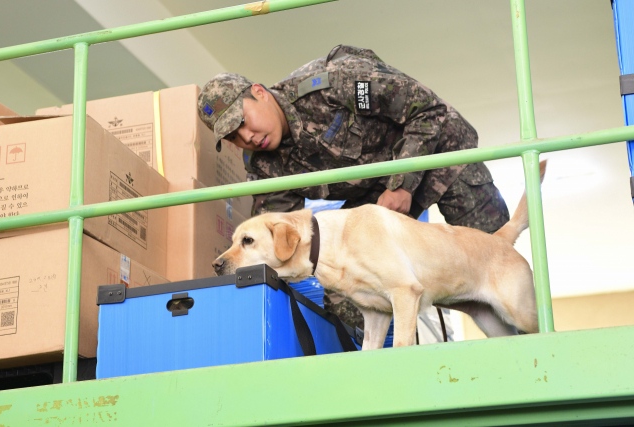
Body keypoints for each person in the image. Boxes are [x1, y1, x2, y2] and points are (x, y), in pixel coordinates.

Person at [198, 45, 509, 330]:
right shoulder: (264, 163)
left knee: (491, 255)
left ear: (259, 93)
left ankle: (528, 345)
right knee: (340, 293)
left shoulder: (335, 83)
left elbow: (428, 111)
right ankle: (373, 375)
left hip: (440, 155)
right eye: (234, 136)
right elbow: (273, 232)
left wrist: (402, 183)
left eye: (244, 121)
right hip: (374, 197)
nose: (247, 137)